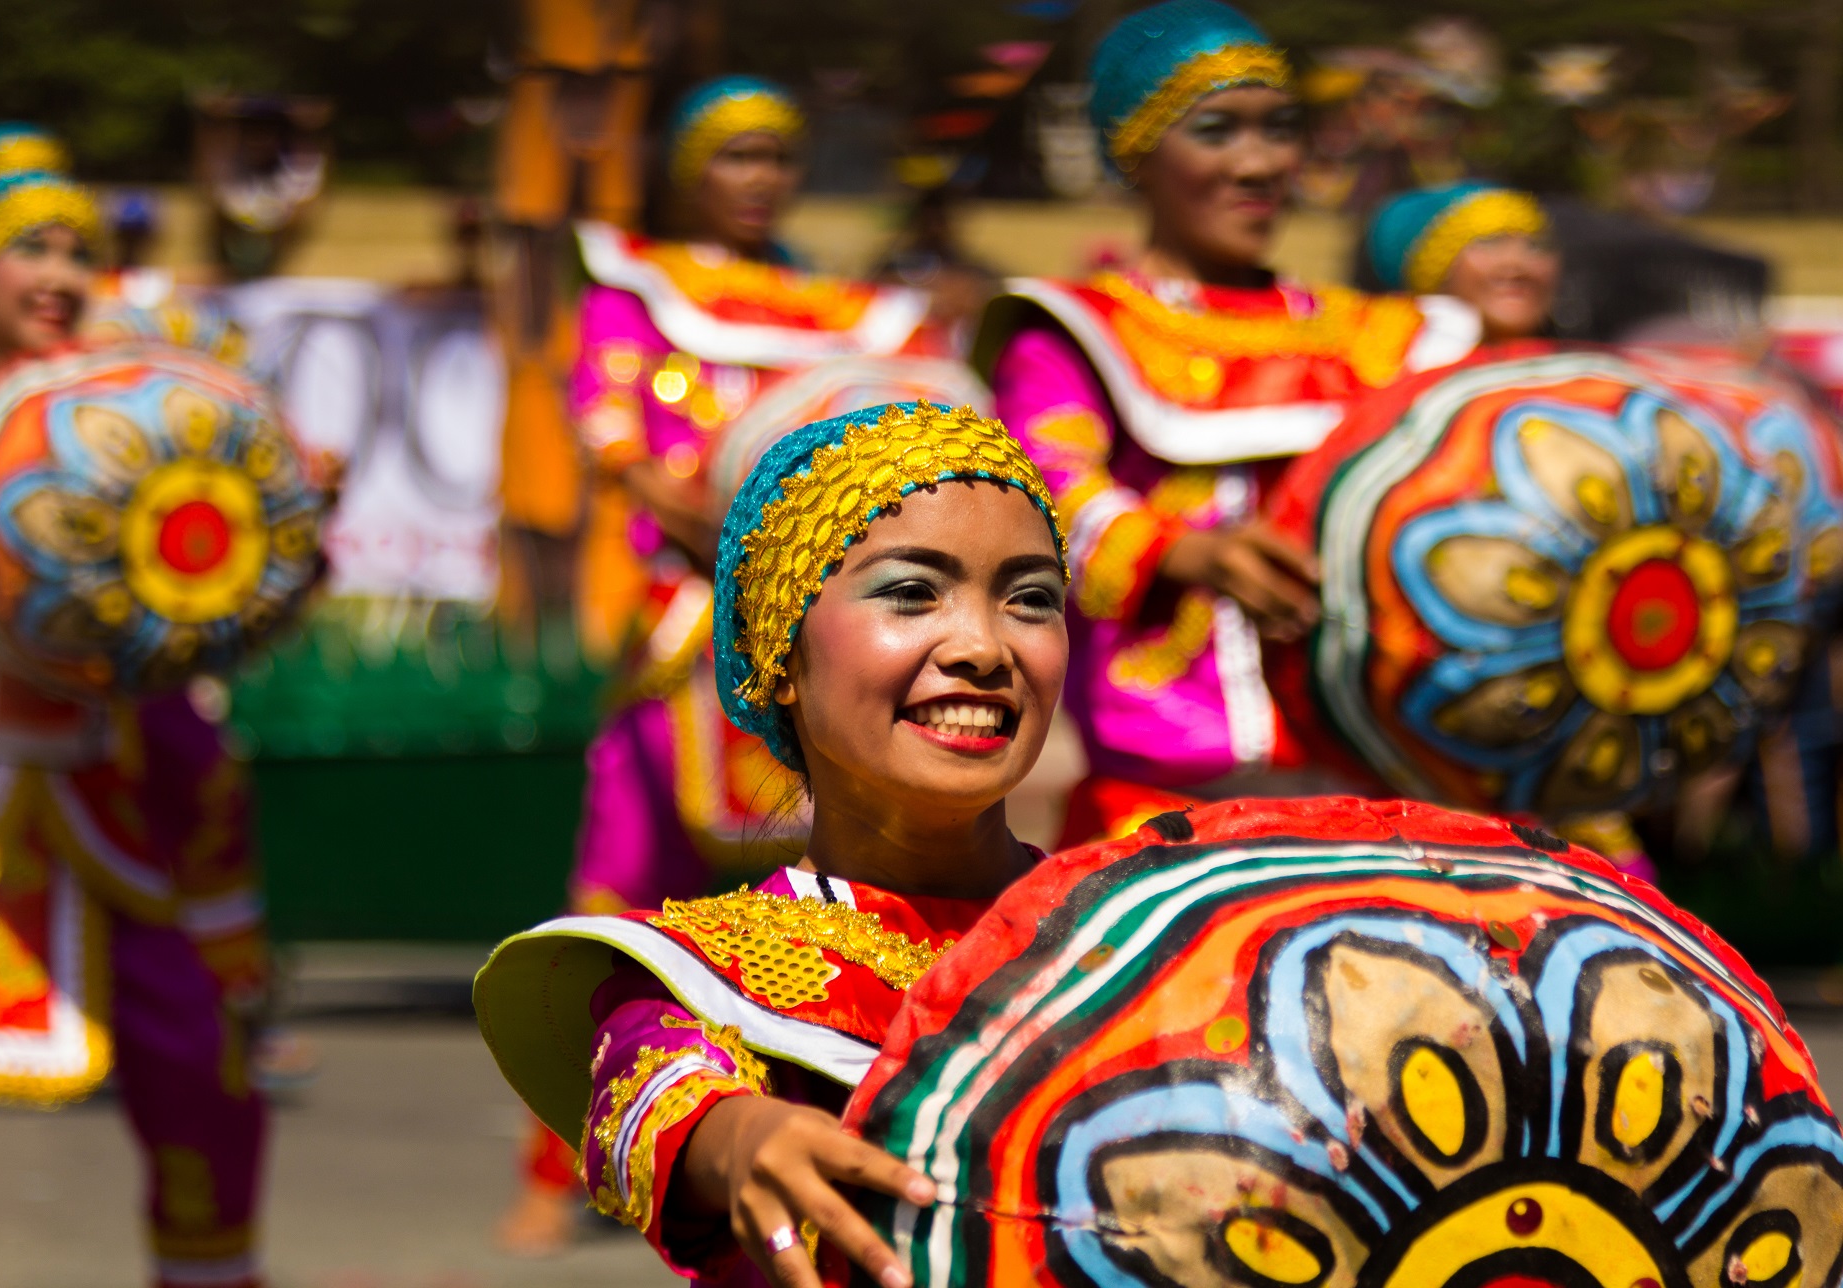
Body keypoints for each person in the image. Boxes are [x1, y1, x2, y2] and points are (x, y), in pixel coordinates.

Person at [475, 400, 1070, 1288]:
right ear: (777, 654)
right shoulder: (692, 977)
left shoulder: (1138, 917)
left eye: (1030, 599)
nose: (983, 647)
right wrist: (743, 1137)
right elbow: (660, 1101)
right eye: (911, 592)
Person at [499, 75, 945, 1251]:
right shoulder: (638, 288)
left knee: (843, 884)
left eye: (777, 157)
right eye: (736, 155)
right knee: (623, 878)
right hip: (684, 624)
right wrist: (730, 531)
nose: (759, 178)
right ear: (694, 167)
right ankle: (567, 1162)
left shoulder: (847, 306)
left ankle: (850, 1130)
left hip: (823, 627)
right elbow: (621, 448)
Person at [975, 0, 1479, 844]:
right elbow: (1044, 494)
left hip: (1378, 786)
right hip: (1166, 801)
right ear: (1138, 152)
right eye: (1217, 131)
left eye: (1278, 129)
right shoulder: (1077, 329)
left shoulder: (1382, 337)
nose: (1258, 163)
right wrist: (1185, 549)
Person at [0, 169, 269, 1288]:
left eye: (80, 253)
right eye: (34, 251)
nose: (62, 277)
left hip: (98, 791)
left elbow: (200, 607)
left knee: (201, 1072)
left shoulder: (135, 414)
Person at [1363, 180, 1560, 341]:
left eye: (1536, 246)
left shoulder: (1583, 373)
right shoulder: (1378, 375)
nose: (1517, 263)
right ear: (1436, 271)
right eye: (1490, 243)